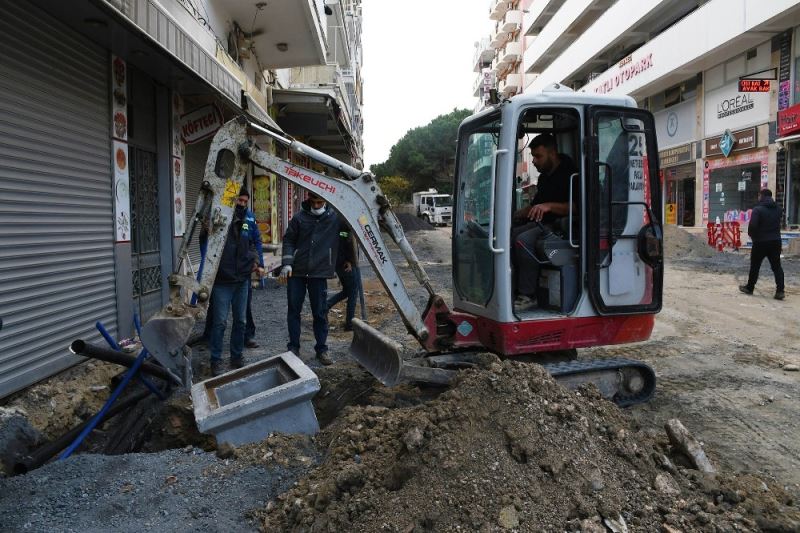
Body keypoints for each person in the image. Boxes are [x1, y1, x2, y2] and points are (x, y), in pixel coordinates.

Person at [203, 187, 264, 376]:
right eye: (239, 201)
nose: (242, 204)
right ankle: (216, 360)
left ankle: (236, 357)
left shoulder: (249, 218)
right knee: (220, 322)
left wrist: (257, 262)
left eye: (245, 201)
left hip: (242, 280)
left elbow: (255, 242)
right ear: (232, 199)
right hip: (222, 281)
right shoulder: (219, 216)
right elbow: (205, 240)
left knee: (241, 321)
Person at [511, 134, 577, 307]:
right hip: (543, 223)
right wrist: (511, 215)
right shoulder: (544, 177)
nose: (534, 161)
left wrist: (549, 206)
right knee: (509, 235)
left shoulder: (572, 173)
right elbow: (535, 206)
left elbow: (579, 207)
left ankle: (528, 294)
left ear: (552, 153)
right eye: (533, 156)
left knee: (522, 241)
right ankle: (512, 288)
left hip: (563, 226)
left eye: (538, 156)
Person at [279, 192, 340, 365]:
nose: (316, 206)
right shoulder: (299, 218)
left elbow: (347, 235)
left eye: (320, 202)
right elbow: (289, 240)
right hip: (297, 272)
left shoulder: (334, 218)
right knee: (293, 311)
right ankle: (293, 348)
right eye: (314, 202)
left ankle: (322, 349)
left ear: (326, 201)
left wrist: (347, 260)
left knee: (320, 313)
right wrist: (287, 263)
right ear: (309, 200)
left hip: (319, 272)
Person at [739, 189, 785, 300]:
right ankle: (780, 291)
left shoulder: (758, 210)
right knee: (777, 266)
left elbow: (753, 226)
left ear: (762, 196)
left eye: (759, 195)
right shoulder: (779, 209)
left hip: (760, 242)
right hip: (775, 241)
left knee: (755, 266)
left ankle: (750, 288)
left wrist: (753, 237)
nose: (758, 197)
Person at [326, 221, 359, 331]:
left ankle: (326, 306)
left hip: (339, 263)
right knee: (353, 293)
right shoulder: (344, 224)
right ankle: (349, 324)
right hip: (346, 264)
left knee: (347, 291)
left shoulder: (337, 221)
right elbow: (347, 241)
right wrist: (349, 260)